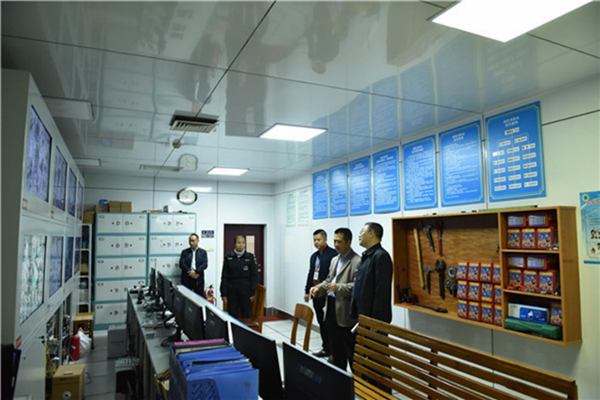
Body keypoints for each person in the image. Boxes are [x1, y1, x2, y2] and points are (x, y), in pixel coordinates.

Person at [310, 228, 360, 371]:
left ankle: (355, 380)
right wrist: (318, 288)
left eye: (339, 242)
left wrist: (338, 288)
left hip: (345, 311)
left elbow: (356, 286)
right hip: (331, 308)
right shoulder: (335, 260)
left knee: (350, 350)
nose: (336, 244)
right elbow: (328, 280)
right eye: (335, 241)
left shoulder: (357, 261)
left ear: (348, 242)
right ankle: (339, 377)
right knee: (336, 349)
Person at [304, 229, 337, 358]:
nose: (316, 242)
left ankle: (334, 351)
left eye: (319, 240)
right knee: (321, 322)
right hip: (316, 294)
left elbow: (333, 276)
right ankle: (326, 348)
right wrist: (307, 291)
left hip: (328, 294)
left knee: (330, 324)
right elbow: (310, 273)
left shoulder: (333, 255)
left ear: (325, 239)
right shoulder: (314, 256)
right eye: (314, 240)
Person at [351, 222, 393, 322]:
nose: (359, 235)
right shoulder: (367, 255)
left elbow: (381, 292)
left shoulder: (381, 256)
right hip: (363, 314)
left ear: (371, 233)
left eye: (362, 231)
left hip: (373, 318)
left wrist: (375, 321)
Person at [221, 235, 258, 319]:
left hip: (245, 290)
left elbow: (254, 276)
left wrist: (252, 292)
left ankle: (244, 328)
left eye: (243, 243)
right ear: (235, 244)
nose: (241, 245)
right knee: (232, 314)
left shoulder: (250, 257)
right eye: (238, 242)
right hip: (232, 290)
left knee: (246, 314)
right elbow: (224, 276)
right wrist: (223, 293)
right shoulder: (229, 257)